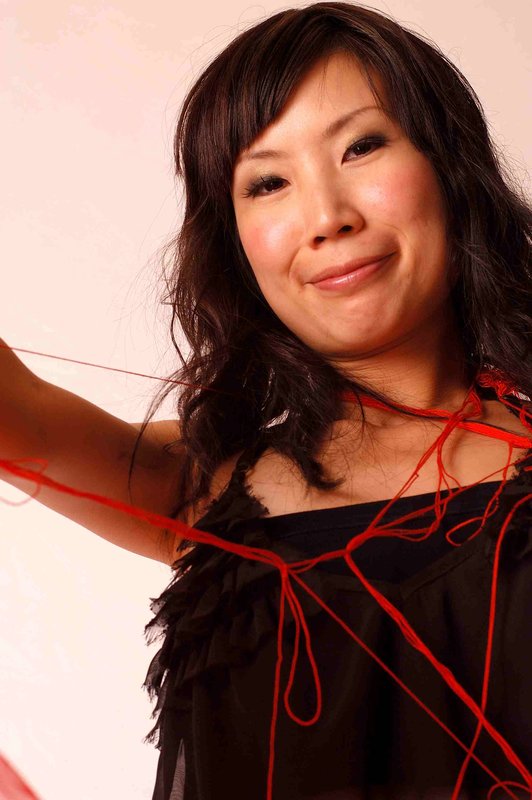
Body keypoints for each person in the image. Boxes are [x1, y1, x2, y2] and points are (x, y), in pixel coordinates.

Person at [1, 2, 531, 799]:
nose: (327, 218)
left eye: (361, 146)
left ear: (450, 167)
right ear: (236, 243)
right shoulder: (202, 485)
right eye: (268, 182)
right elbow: (22, 416)